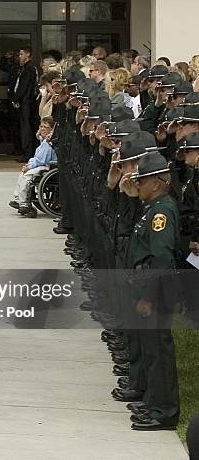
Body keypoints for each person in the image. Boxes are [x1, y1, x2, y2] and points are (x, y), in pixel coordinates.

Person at [126, 152, 180, 431]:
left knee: (159, 353)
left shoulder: (161, 211)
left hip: (155, 292)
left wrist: (148, 297)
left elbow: (161, 258)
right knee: (150, 351)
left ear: (158, 183)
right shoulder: (152, 207)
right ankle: (153, 402)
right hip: (147, 287)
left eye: (142, 180)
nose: (138, 185)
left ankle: (165, 411)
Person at [9, 116, 56, 218]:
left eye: (45, 127)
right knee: (22, 174)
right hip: (42, 164)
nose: (42, 129)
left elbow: (41, 160)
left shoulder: (48, 143)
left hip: (48, 166)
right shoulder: (44, 141)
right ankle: (18, 200)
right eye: (41, 126)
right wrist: (28, 165)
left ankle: (25, 203)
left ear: (51, 130)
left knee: (27, 175)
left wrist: (29, 166)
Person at [12, 47, 39, 162]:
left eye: (22, 54)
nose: (19, 56)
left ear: (28, 55)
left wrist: (16, 98)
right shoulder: (26, 68)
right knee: (25, 127)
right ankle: (27, 152)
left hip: (26, 102)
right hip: (26, 101)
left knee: (26, 128)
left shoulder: (29, 69)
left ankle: (27, 153)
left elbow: (24, 86)